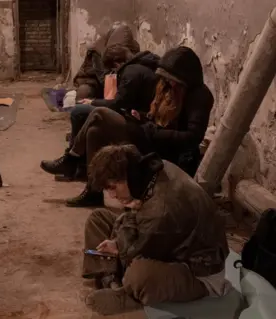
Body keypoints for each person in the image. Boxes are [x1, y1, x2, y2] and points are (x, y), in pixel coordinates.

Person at [41, 46, 213, 207]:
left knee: (98, 113)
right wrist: (143, 117)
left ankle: (71, 158)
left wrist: (155, 132)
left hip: (159, 144)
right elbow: (155, 116)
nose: (169, 83)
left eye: (173, 80)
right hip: (146, 132)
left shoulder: (200, 97)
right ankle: (93, 191)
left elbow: (192, 138)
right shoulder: (168, 88)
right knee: (94, 132)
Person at [82, 145, 230, 316]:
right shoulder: (154, 169)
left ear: (127, 177)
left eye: (113, 187)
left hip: (199, 274)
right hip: (166, 243)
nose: (112, 196)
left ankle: (123, 288)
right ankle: (110, 279)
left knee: (139, 274)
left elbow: (134, 251)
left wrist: (118, 244)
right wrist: (129, 215)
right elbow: (137, 224)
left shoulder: (162, 210)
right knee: (98, 219)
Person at [65, 45, 159, 179]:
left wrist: (92, 102)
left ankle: (71, 157)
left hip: (138, 122)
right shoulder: (138, 67)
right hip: (135, 115)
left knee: (83, 111)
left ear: (116, 64)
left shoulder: (131, 72)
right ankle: (88, 179)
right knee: (93, 131)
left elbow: (118, 103)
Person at [73, 23, 140, 100]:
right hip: (94, 81)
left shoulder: (132, 48)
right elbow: (104, 78)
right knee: (84, 92)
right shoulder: (98, 51)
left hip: (117, 77)